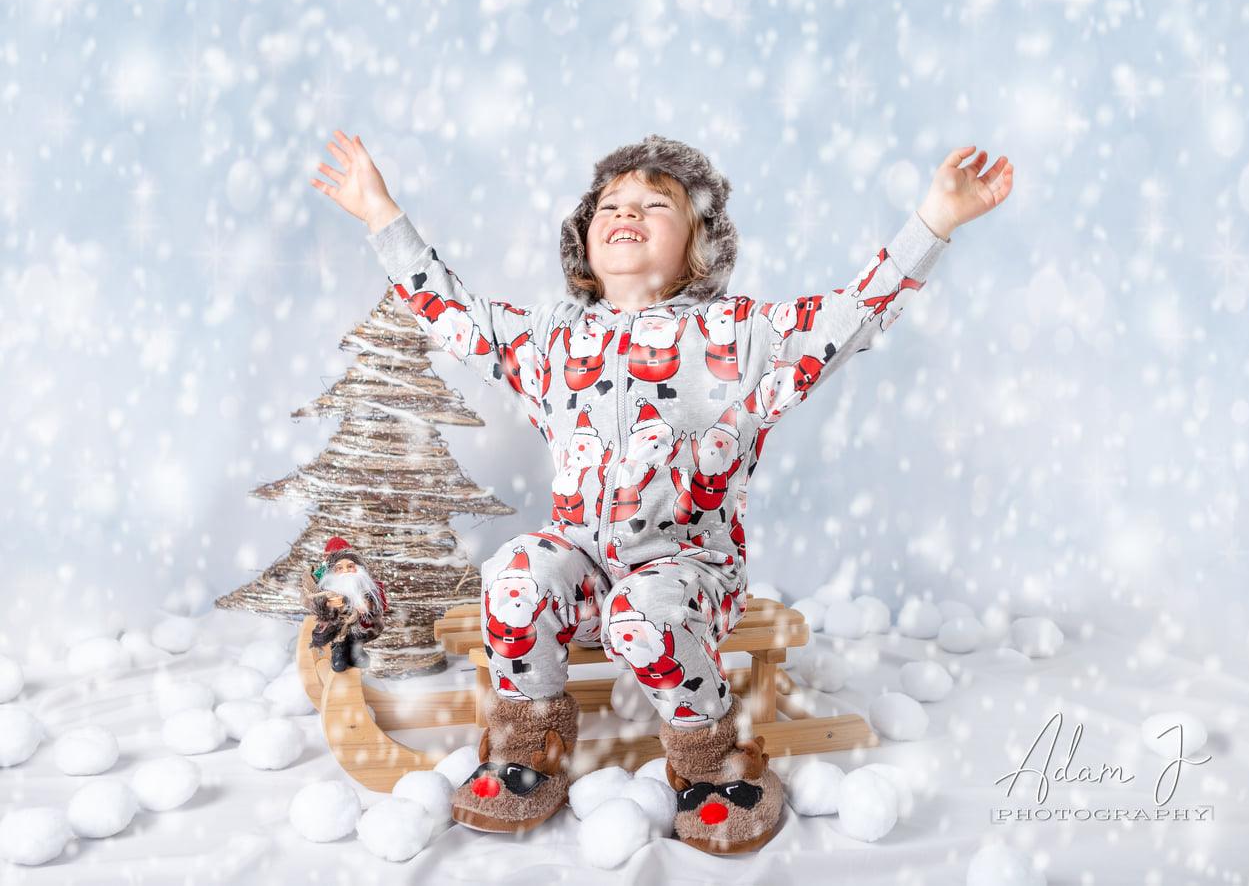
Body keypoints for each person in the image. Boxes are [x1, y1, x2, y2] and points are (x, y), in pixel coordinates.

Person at [310, 131, 1013, 852]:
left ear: (697, 243)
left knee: (641, 612)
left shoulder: (736, 336)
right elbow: (452, 312)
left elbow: (848, 319)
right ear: (584, 239)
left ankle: (711, 758)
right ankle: (531, 739)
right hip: (583, 562)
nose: (628, 211)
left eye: (656, 203)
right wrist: (381, 217)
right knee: (513, 576)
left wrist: (931, 223)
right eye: (610, 202)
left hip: (688, 569)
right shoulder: (553, 342)